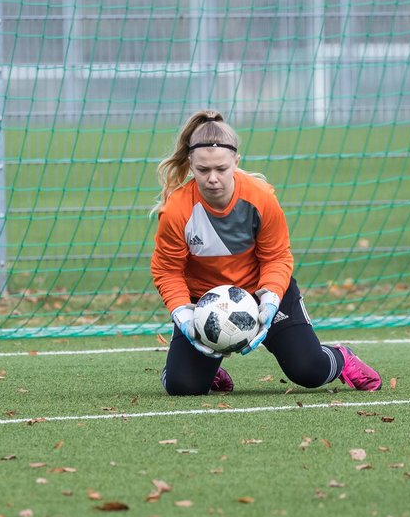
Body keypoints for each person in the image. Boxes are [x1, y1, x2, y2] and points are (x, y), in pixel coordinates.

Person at [150, 110, 380, 396]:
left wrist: (269, 300)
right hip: (205, 302)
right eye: (203, 170)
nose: (212, 179)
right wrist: (183, 314)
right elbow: (167, 270)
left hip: (263, 291)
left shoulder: (261, 199)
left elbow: (277, 257)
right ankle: (202, 366)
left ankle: (341, 358)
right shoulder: (176, 210)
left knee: (309, 371)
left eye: (221, 169)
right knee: (182, 386)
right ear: (190, 165)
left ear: (236, 162)